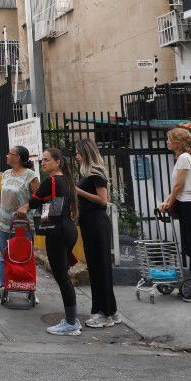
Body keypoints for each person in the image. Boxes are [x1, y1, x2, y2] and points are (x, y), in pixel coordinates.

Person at [27, 148, 81, 335]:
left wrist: (23, 208)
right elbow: (53, 206)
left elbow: (34, 202)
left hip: (57, 232)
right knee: (63, 275)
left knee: (62, 277)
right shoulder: (64, 180)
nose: (43, 163)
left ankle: (71, 323)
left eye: (47, 160)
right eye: (42, 160)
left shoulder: (50, 181)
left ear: (58, 162)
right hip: (68, 229)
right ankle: (71, 319)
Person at [158, 128, 191, 302]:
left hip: (190, 205)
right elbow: (178, 188)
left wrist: (169, 202)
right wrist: (168, 201)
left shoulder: (183, 158)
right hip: (186, 204)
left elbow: (178, 186)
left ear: (177, 142)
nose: (167, 142)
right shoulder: (184, 158)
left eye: (169, 139)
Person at [75, 138, 119, 327]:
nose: (76, 156)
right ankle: (111, 311)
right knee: (98, 267)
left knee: (99, 268)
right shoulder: (87, 173)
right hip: (89, 222)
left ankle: (104, 313)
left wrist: (78, 191)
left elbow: (103, 200)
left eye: (78, 153)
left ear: (86, 153)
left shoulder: (96, 173)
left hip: (96, 222)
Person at [0, 146, 39, 288]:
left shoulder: (30, 176)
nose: (7, 155)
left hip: (22, 225)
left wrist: (27, 206)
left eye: (9, 153)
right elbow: (0, 196)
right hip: (3, 224)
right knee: (4, 256)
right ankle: (4, 285)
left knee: (23, 256)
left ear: (18, 157)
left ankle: (26, 286)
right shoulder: (6, 174)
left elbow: (38, 198)